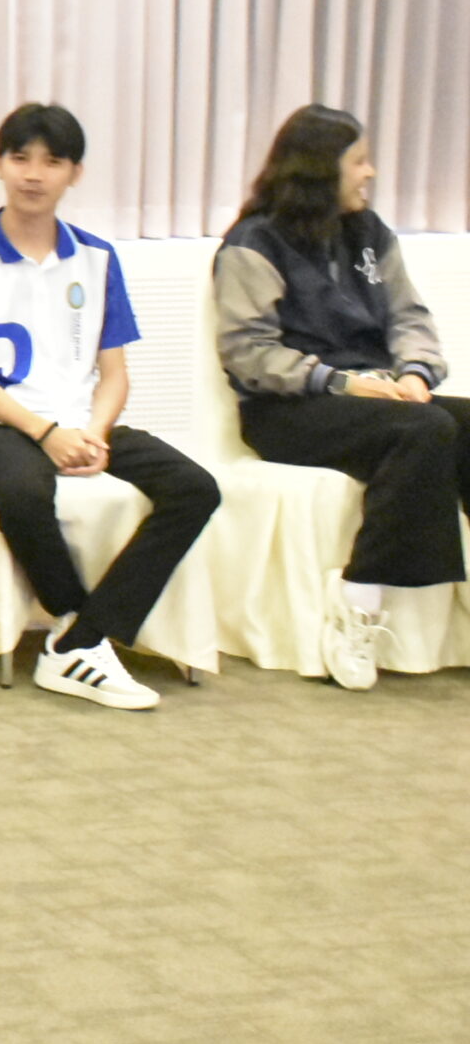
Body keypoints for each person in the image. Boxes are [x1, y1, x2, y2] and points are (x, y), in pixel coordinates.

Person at [0, 103, 218, 709]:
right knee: (25, 494)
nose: (33, 174)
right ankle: (80, 630)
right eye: (20, 158)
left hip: (85, 421)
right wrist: (46, 432)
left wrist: (96, 433)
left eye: (52, 162)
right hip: (0, 424)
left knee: (196, 488)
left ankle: (80, 638)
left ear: (75, 173)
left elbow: (114, 372)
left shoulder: (97, 257)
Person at [216, 104, 467, 690]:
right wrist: (341, 382)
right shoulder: (253, 244)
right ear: (319, 169)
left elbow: (409, 316)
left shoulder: (370, 234)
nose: (370, 172)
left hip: (377, 396)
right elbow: (249, 353)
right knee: (425, 432)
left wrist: (416, 374)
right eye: (359, 161)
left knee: (458, 420)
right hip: (289, 407)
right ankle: (358, 601)